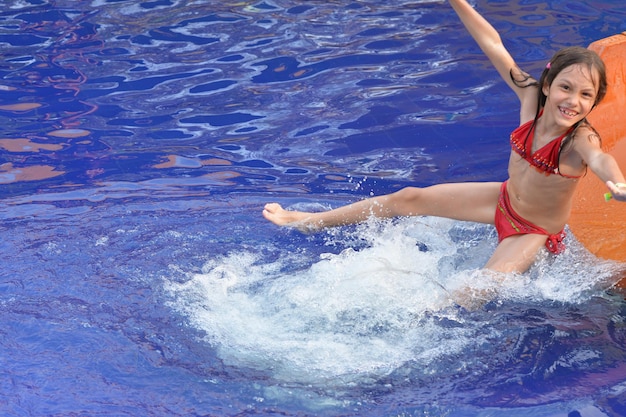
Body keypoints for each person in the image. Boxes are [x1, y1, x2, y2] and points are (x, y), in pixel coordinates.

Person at [263, 0, 626, 275]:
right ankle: (306, 219)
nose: (573, 101)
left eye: (586, 95)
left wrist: (616, 181)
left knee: (478, 289)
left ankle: (415, 324)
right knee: (408, 198)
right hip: (502, 200)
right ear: (548, 84)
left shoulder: (579, 139)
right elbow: (493, 44)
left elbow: (600, 159)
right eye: (566, 87)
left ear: (594, 102)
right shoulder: (530, 97)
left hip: (533, 230)